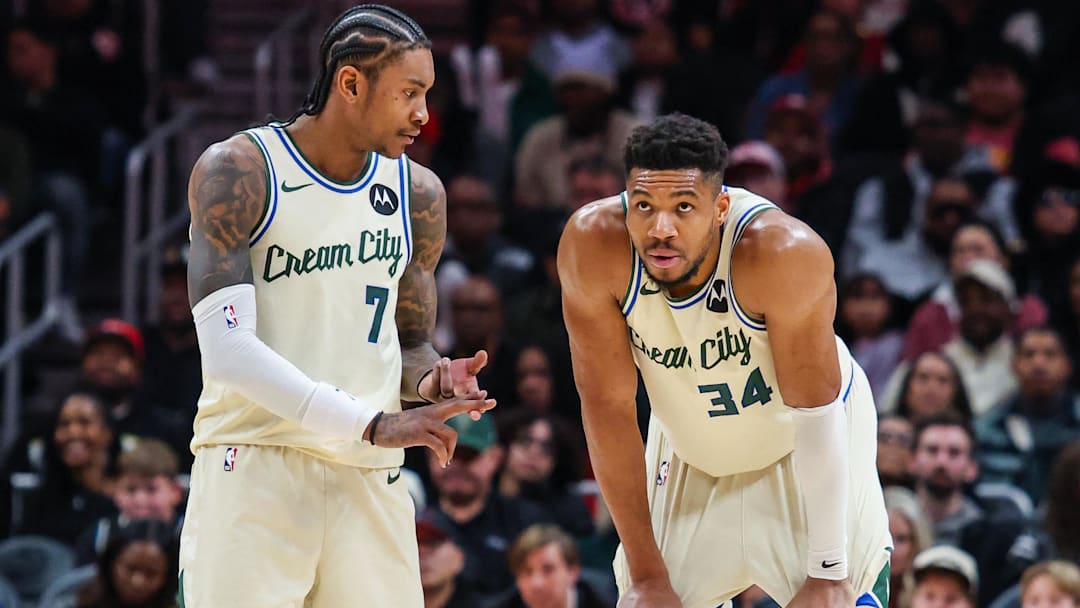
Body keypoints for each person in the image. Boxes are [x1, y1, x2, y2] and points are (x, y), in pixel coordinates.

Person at [178, 6, 497, 607]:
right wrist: (373, 423)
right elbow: (226, 352)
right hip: (256, 466)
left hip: (368, 475)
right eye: (409, 92)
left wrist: (433, 379)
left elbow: (409, 344)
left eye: (427, 94)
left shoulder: (419, 193)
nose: (423, 114)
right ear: (351, 84)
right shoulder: (241, 171)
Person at [557, 113, 891, 607]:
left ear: (720, 208)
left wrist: (827, 572)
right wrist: (647, 576)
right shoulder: (593, 248)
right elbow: (607, 407)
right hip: (689, 449)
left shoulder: (782, 253)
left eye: (684, 207)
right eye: (643, 206)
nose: (660, 229)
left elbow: (816, 417)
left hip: (801, 448)